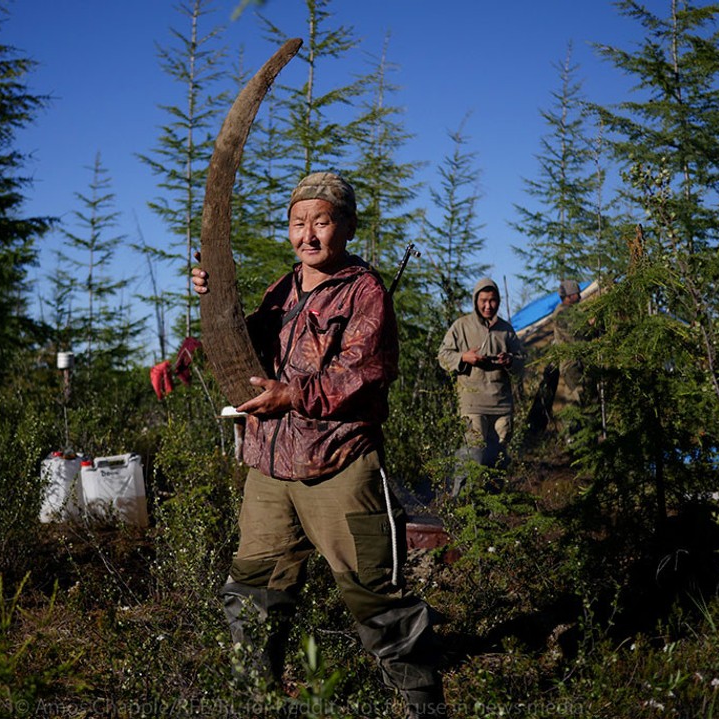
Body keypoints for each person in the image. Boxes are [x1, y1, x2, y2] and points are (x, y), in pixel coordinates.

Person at [192, 171, 447, 719]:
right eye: (297, 222)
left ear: (347, 227)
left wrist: (292, 394)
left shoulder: (365, 291)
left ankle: (425, 705)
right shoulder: (281, 290)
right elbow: (248, 343)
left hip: (340, 464)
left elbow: (364, 373)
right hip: (269, 468)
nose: (308, 235)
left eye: (322, 222)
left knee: (375, 596)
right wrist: (215, 303)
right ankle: (254, 701)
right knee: (253, 593)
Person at [437, 278, 524, 495]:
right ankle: (460, 500)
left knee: (499, 454)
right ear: (476, 301)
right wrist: (465, 357)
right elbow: (443, 356)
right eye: (484, 300)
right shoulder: (461, 326)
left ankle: (492, 505)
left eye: (493, 301)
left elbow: (522, 361)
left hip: (501, 405)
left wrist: (510, 360)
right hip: (472, 403)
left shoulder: (506, 330)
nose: (488, 306)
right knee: (472, 452)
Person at [551, 279, 584, 409]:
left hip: (575, 362)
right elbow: (573, 336)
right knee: (580, 397)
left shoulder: (571, 311)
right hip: (571, 363)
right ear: (569, 296)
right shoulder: (562, 313)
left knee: (573, 401)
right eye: (577, 294)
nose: (580, 297)